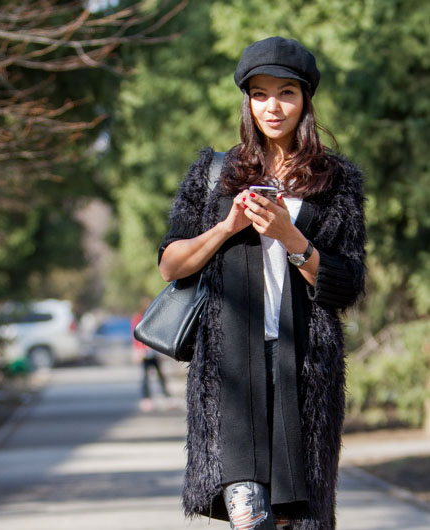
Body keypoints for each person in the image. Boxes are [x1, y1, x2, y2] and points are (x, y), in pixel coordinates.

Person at [158, 37, 366, 530]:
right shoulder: (214, 172)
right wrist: (226, 227)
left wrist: (292, 238)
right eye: (260, 93)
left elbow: (348, 285)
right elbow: (170, 264)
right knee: (249, 516)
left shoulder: (336, 181)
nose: (273, 106)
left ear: (305, 100)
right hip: (230, 371)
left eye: (286, 93)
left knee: (301, 516)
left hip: (306, 370)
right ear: (247, 101)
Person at [131, 300, 171, 411]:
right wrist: (137, 350)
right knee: (145, 376)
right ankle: (146, 398)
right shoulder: (138, 317)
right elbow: (135, 334)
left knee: (160, 375)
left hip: (155, 350)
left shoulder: (155, 315)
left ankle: (167, 396)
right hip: (144, 352)